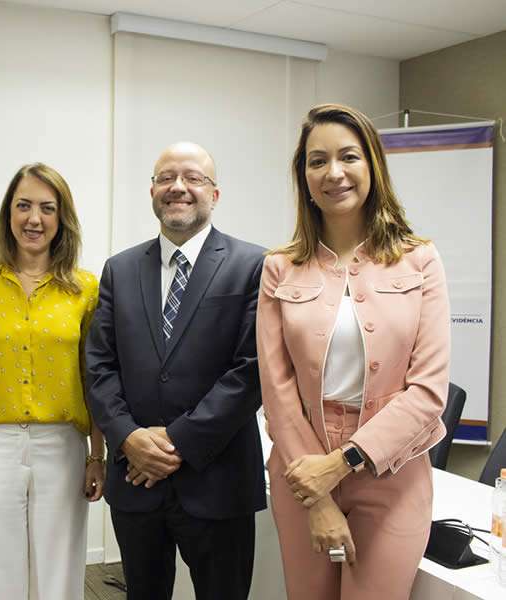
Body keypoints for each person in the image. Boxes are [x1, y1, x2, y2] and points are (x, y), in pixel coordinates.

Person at [256, 103, 450, 600]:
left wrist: (342, 463)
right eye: (317, 161)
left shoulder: (420, 260)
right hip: (300, 468)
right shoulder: (280, 267)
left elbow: (428, 392)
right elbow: (277, 394)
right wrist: (315, 490)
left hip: (393, 472)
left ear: (372, 166)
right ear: (303, 176)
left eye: (348, 157)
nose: (333, 173)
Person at [86, 142, 266, 600]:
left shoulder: (255, 265)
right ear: (152, 190)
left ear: (216, 193)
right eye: (166, 177)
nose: (178, 187)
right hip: (136, 479)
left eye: (193, 178)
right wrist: (127, 437)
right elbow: (99, 365)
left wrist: (175, 442)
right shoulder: (120, 269)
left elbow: (252, 370)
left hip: (218, 479)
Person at [0, 163, 105, 600]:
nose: (34, 219)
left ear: (61, 219)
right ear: (8, 214)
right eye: (24, 206)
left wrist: (98, 455)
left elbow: (94, 380)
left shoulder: (85, 289)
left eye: (46, 208)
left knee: (59, 568)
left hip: (63, 445)